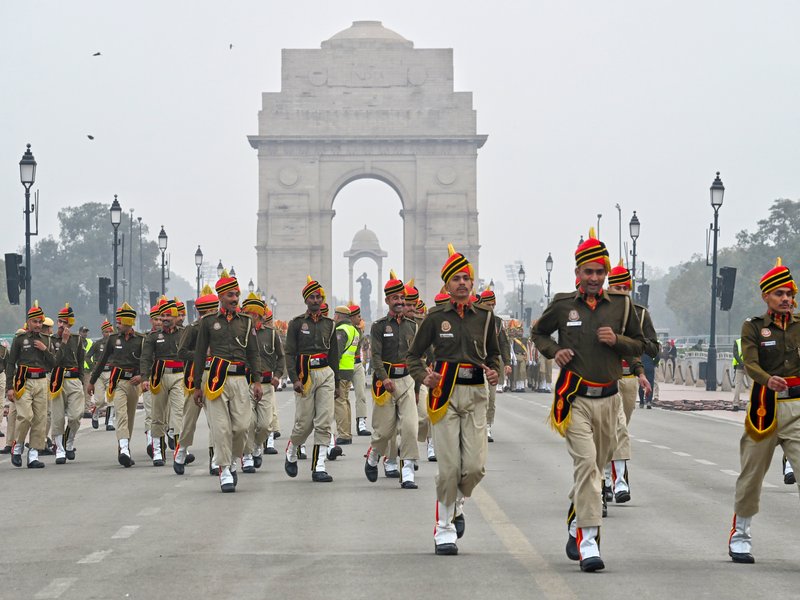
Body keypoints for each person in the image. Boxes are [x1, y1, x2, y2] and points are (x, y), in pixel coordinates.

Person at [531, 229, 644, 572]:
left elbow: (643, 346)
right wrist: (554, 351)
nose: (594, 278)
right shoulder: (563, 305)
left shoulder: (623, 307)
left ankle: (574, 518)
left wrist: (619, 341)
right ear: (576, 273)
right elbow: (537, 332)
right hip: (575, 398)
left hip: (610, 401)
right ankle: (589, 541)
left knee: (594, 471)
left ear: (606, 273)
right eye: (587, 272)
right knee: (586, 466)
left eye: (599, 272)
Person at [407, 244, 501, 556]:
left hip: (476, 394)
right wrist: (424, 377)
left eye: (466, 278)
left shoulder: (487, 319)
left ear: (472, 283)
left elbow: (496, 354)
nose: (462, 283)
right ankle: (444, 528)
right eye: (455, 279)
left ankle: (457, 502)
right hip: (443, 394)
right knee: (448, 468)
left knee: (473, 468)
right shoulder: (434, 318)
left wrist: (496, 371)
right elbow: (413, 356)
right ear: (446, 286)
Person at [728, 258, 800, 563]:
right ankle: (740, 535)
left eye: (790, 294)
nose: (786, 299)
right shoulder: (753, 327)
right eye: (779, 294)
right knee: (752, 475)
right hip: (764, 409)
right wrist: (765, 379)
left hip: (797, 408)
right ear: (766, 297)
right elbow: (750, 362)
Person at [192, 271, 262, 492]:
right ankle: (224, 470)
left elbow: (254, 353)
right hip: (215, 381)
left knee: (242, 427)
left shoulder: (247, 322)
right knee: (221, 429)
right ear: (221, 297)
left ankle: (232, 460)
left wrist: (257, 381)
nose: (234, 299)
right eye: (230, 295)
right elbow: (200, 354)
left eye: (237, 295)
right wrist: (196, 386)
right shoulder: (208, 322)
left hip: (240, 380)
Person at [603, 261, 658, 507]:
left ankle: (608, 478)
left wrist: (635, 347)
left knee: (615, 433)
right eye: (616, 287)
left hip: (629, 379)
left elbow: (654, 347)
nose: (620, 292)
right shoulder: (600, 313)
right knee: (617, 430)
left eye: (624, 287)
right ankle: (615, 481)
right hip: (606, 378)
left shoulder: (640, 313)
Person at [364, 272, 420, 489]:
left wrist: (419, 383)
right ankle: (373, 454)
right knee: (385, 432)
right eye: (395, 298)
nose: (400, 302)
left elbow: (415, 357)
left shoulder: (412, 326)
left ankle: (407, 471)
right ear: (387, 300)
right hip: (385, 383)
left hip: (406, 381)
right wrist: (384, 378)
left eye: (402, 298)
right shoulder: (378, 327)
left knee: (410, 428)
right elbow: (375, 356)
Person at [283, 276, 339, 482]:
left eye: (319, 297)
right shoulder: (296, 324)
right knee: (304, 424)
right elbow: (289, 353)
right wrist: (294, 379)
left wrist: (338, 383)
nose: (316, 300)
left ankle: (319, 465)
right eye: (312, 297)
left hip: (325, 373)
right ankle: (292, 449)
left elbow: (334, 355)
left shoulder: (329, 324)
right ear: (306, 300)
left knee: (324, 421)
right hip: (304, 375)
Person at [87, 303, 144, 467]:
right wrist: (92, 381)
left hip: (134, 382)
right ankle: (125, 448)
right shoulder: (113, 339)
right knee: (121, 415)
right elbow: (101, 361)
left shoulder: (141, 340)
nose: (117, 324)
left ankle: (124, 448)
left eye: (119, 321)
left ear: (128, 321)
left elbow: (148, 362)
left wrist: (141, 376)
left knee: (130, 417)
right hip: (117, 382)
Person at [5, 302, 57, 468]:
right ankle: (18, 446)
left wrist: (45, 350)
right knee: (26, 416)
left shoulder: (46, 341)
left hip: (41, 381)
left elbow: (54, 363)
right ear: (28, 322)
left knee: (40, 419)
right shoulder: (20, 340)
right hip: (23, 381)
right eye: (35, 322)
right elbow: (10, 363)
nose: (38, 325)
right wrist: (9, 387)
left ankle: (33, 454)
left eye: (40, 322)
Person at [174, 285, 218, 475]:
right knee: (189, 420)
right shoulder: (192, 329)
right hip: (194, 378)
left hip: (216, 377)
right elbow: (181, 352)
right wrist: (200, 354)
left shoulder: (220, 327)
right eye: (210, 311)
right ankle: (181, 451)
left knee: (215, 421)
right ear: (202, 313)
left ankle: (215, 458)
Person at [240, 293, 284, 473]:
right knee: (248, 423)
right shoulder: (240, 333)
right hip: (246, 383)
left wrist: (278, 375)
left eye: (252, 314)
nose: (249, 318)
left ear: (258, 315)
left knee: (265, 425)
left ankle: (258, 445)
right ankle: (248, 455)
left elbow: (281, 357)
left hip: (266, 384)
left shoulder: (271, 334)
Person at [141, 298, 185, 467]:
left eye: (168, 315)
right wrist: (145, 378)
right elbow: (145, 358)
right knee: (157, 415)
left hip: (179, 376)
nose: (165, 318)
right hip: (159, 377)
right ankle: (158, 451)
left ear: (175, 317)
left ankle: (180, 450)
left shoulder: (183, 333)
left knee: (179, 413)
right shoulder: (153, 336)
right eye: (163, 315)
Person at [50, 304, 86, 464]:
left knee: (76, 416)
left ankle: (69, 442)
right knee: (57, 417)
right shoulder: (51, 340)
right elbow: (54, 362)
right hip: (57, 380)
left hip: (74, 380)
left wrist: (83, 383)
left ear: (70, 324)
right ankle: (60, 449)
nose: (61, 325)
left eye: (65, 322)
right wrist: (63, 342)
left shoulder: (78, 340)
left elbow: (81, 361)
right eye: (59, 321)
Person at [477, 288, 512, 442]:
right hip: (477, 365)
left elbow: (503, 343)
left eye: (492, 304)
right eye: (487, 304)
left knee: (491, 398)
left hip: (492, 365)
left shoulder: (497, 322)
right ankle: (477, 426)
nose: (490, 307)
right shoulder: (474, 319)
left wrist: (507, 363)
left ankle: (488, 426)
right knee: (480, 398)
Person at [334, 305, 359, 445]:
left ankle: (343, 434)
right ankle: (347, 432)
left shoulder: (341, 331)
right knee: (345, 401)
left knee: (339, 402)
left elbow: (337, 353)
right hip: (349, 369)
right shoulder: (354, 330)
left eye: (335, 315)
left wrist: (334, 373)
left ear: (338, 316)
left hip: (340, 370)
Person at [87, 321, 115, 431]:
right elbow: (87, 356)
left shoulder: (114, 344)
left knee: (111, 399)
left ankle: (110, 422)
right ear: (102, 332)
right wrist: (93, 367)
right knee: (99, 400)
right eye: (106, 332)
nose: (108, 334)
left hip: (111, 372)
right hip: (99, 374)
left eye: (110, 331)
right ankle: (95, 414)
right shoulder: (98, 344)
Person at [348, 304, 371, 437]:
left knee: (361, 395)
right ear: (351, 317)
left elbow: (364, 345)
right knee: (341, 398)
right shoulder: (343, 330)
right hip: (344, 366)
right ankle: (342, 427)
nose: (361, 318)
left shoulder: (359, 330)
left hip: (357, 364)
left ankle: (361, 423)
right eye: (358, 316)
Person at [732, 337, 749, 412]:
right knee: (752, 387)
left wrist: (742, 364)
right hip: (749, 367)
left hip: (739, 367)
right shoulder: (751, 341)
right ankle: (754, 403)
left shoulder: (737, 342)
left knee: (737, 386)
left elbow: (735, 355)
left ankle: (735, 404)